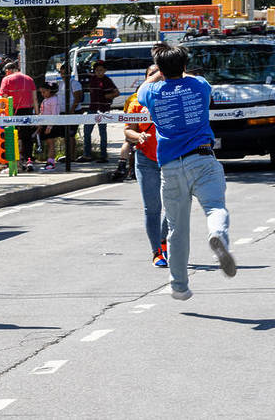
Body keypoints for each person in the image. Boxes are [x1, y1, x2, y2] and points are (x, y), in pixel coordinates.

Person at [137, 43, 236, 301]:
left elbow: (143, 87)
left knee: (176, 229)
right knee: (215, 207)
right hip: (202, 158)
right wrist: (178, 69)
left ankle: (179, 286)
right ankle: (218, 235)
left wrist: (159, 71)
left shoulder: (152, 92)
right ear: (184, 65)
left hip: (170, 166)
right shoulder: (200, 85)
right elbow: (192, 78)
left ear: (159, 68)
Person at [124, 64, 168, 268]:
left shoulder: (172, 96)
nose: (157, 77)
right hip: (145, 159)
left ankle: (164, 241)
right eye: (152, 74)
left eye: (161, 73)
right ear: (146, 78)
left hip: (170, 158)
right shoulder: (136, 103)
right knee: (152, 208)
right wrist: (137, 136)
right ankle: (156, 251)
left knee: (172, 206)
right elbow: (128, 131)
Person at [0, 61, 38, 171]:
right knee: (27, 138)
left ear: (8, 71)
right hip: (27, 110)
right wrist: (37, 114)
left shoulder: (6, 80)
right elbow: (34, 99)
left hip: (13, 111)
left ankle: (15, 162)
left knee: (12, 136)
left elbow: (4, 99)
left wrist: (1, 113)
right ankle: (29, 160)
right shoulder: (29, 79)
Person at [78, 60, 118, 163]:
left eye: (101, 70)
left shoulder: (107, 80)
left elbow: (116, 92)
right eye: (97, 70)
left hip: (103, 109)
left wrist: (107, 96)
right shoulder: (92, 79)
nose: (99, 72)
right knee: (87, 131)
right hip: (92, 108)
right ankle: (87, 155)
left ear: (105, 70)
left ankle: (103, 156)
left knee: (102, 133)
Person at [56, 63, 83, 161]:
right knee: (65, 135)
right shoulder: (60, 84)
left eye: (65, 73)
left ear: (70, 73)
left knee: (71, 134)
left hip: (73, 112)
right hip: (62, 112)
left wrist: (71, 110)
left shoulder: (74, 83)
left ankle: (72, 156)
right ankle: (67, 155)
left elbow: (78, 98)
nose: (63, 75)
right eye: (61, 73)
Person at [36, 81, 60, 170]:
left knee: (51, 144)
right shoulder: (46, 100)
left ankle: (51, 162)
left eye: (44, 92)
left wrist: (50, 126)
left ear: (50, 91)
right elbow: (43, 112)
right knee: (48, 143)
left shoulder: (54, 100)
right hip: (45, 123)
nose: (43, 94)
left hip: (51, 124)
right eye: (41, 92)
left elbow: (54, 114)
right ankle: (49, 161)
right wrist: (40, 124)